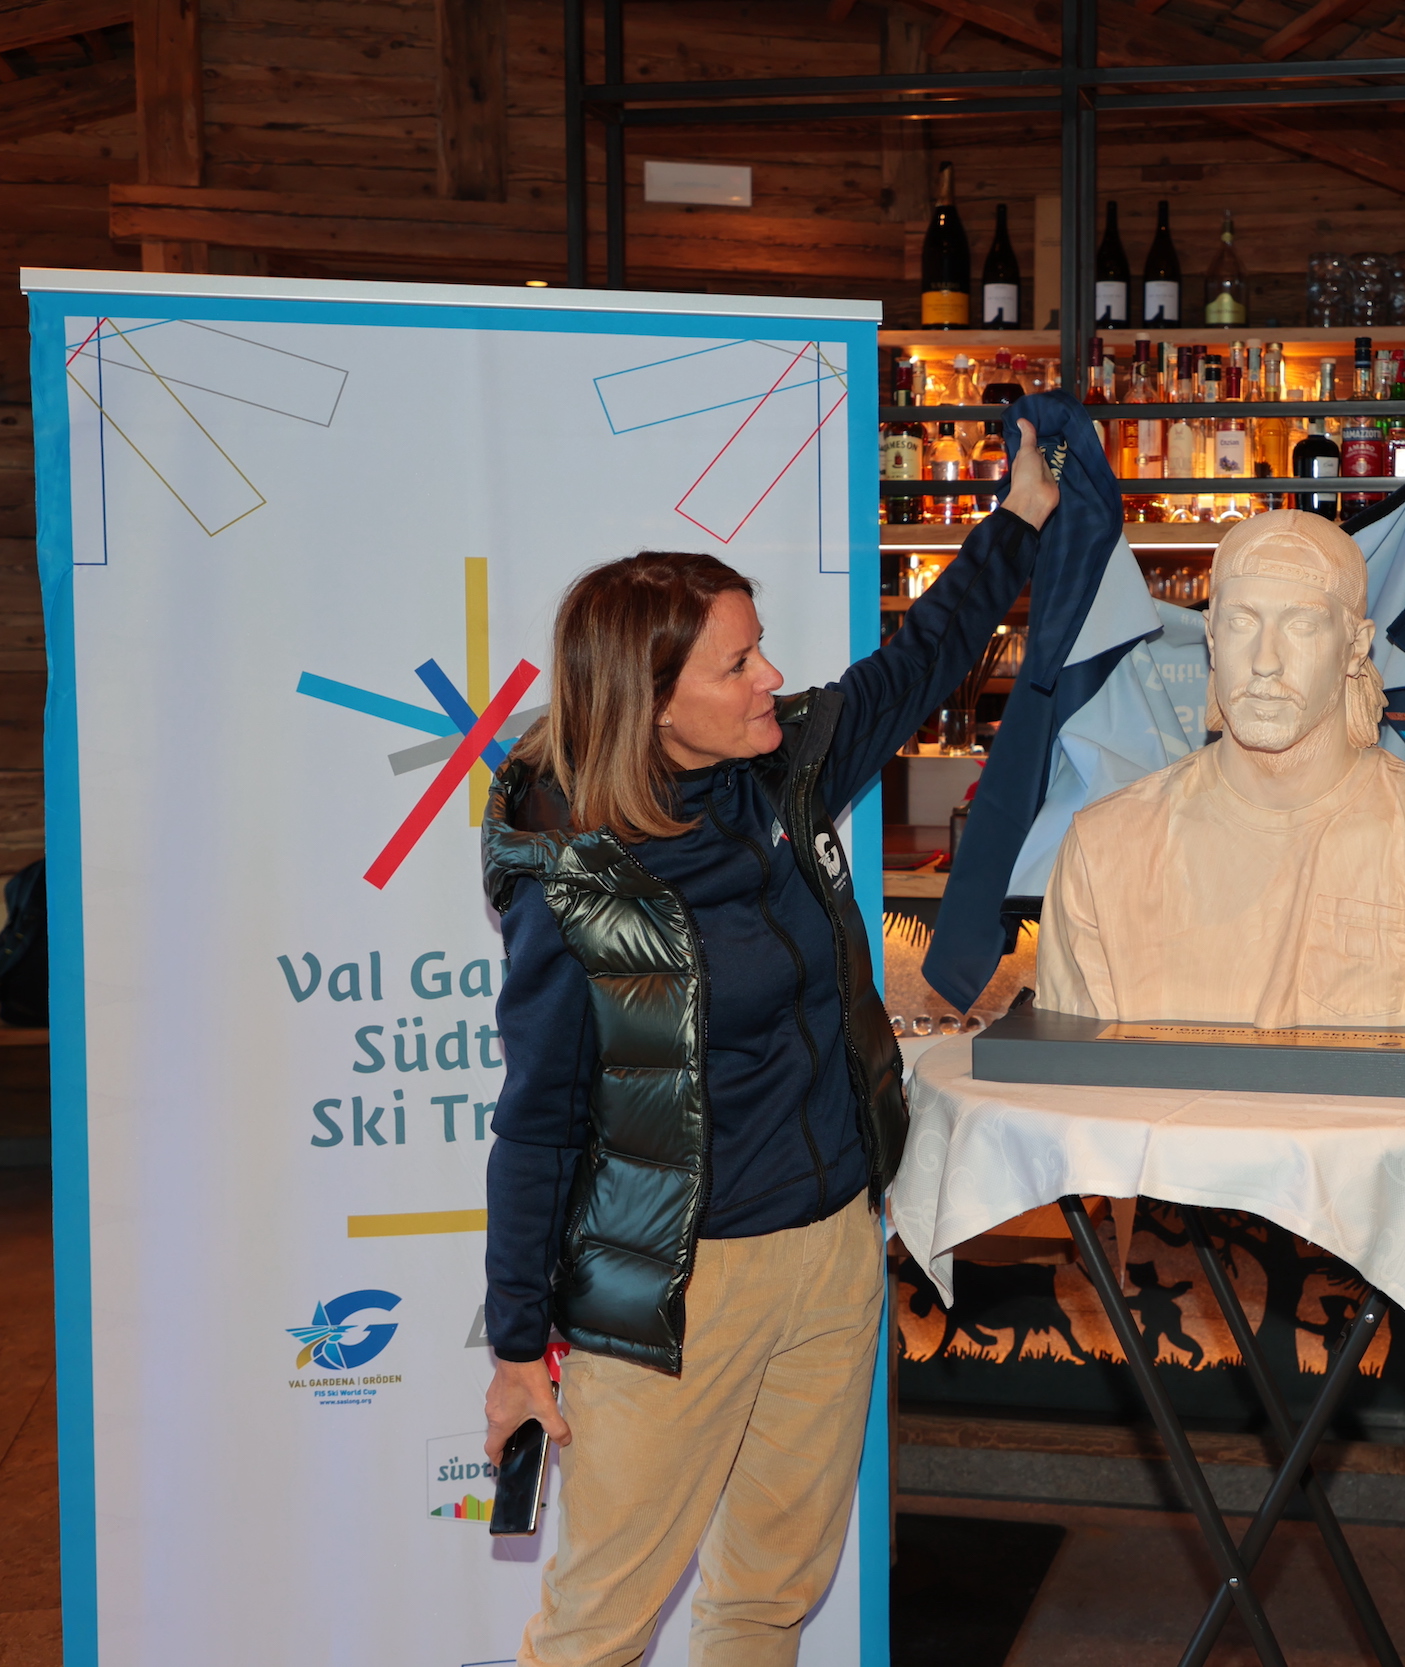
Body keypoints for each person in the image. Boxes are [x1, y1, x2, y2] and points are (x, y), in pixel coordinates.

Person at [478, 420, 1058, 1667]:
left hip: (833, 1249)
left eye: (759, 650)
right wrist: (518, 1342)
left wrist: (1016, 520)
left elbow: (917, 660)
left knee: (766, 1597)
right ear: (652, 700)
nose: (770, 677)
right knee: (597, 1624)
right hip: (673, 1288)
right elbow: (538, 1118)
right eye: (737, 663)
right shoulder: (572, 875)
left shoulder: (780, 767)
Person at [1037, 508, 1405, 1032]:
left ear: (1355, 647)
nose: (1265, 660)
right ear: (1211, 637)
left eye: (1302, 625)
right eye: (1241, 622)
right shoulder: (1104, 850)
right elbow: (1071, 1075)